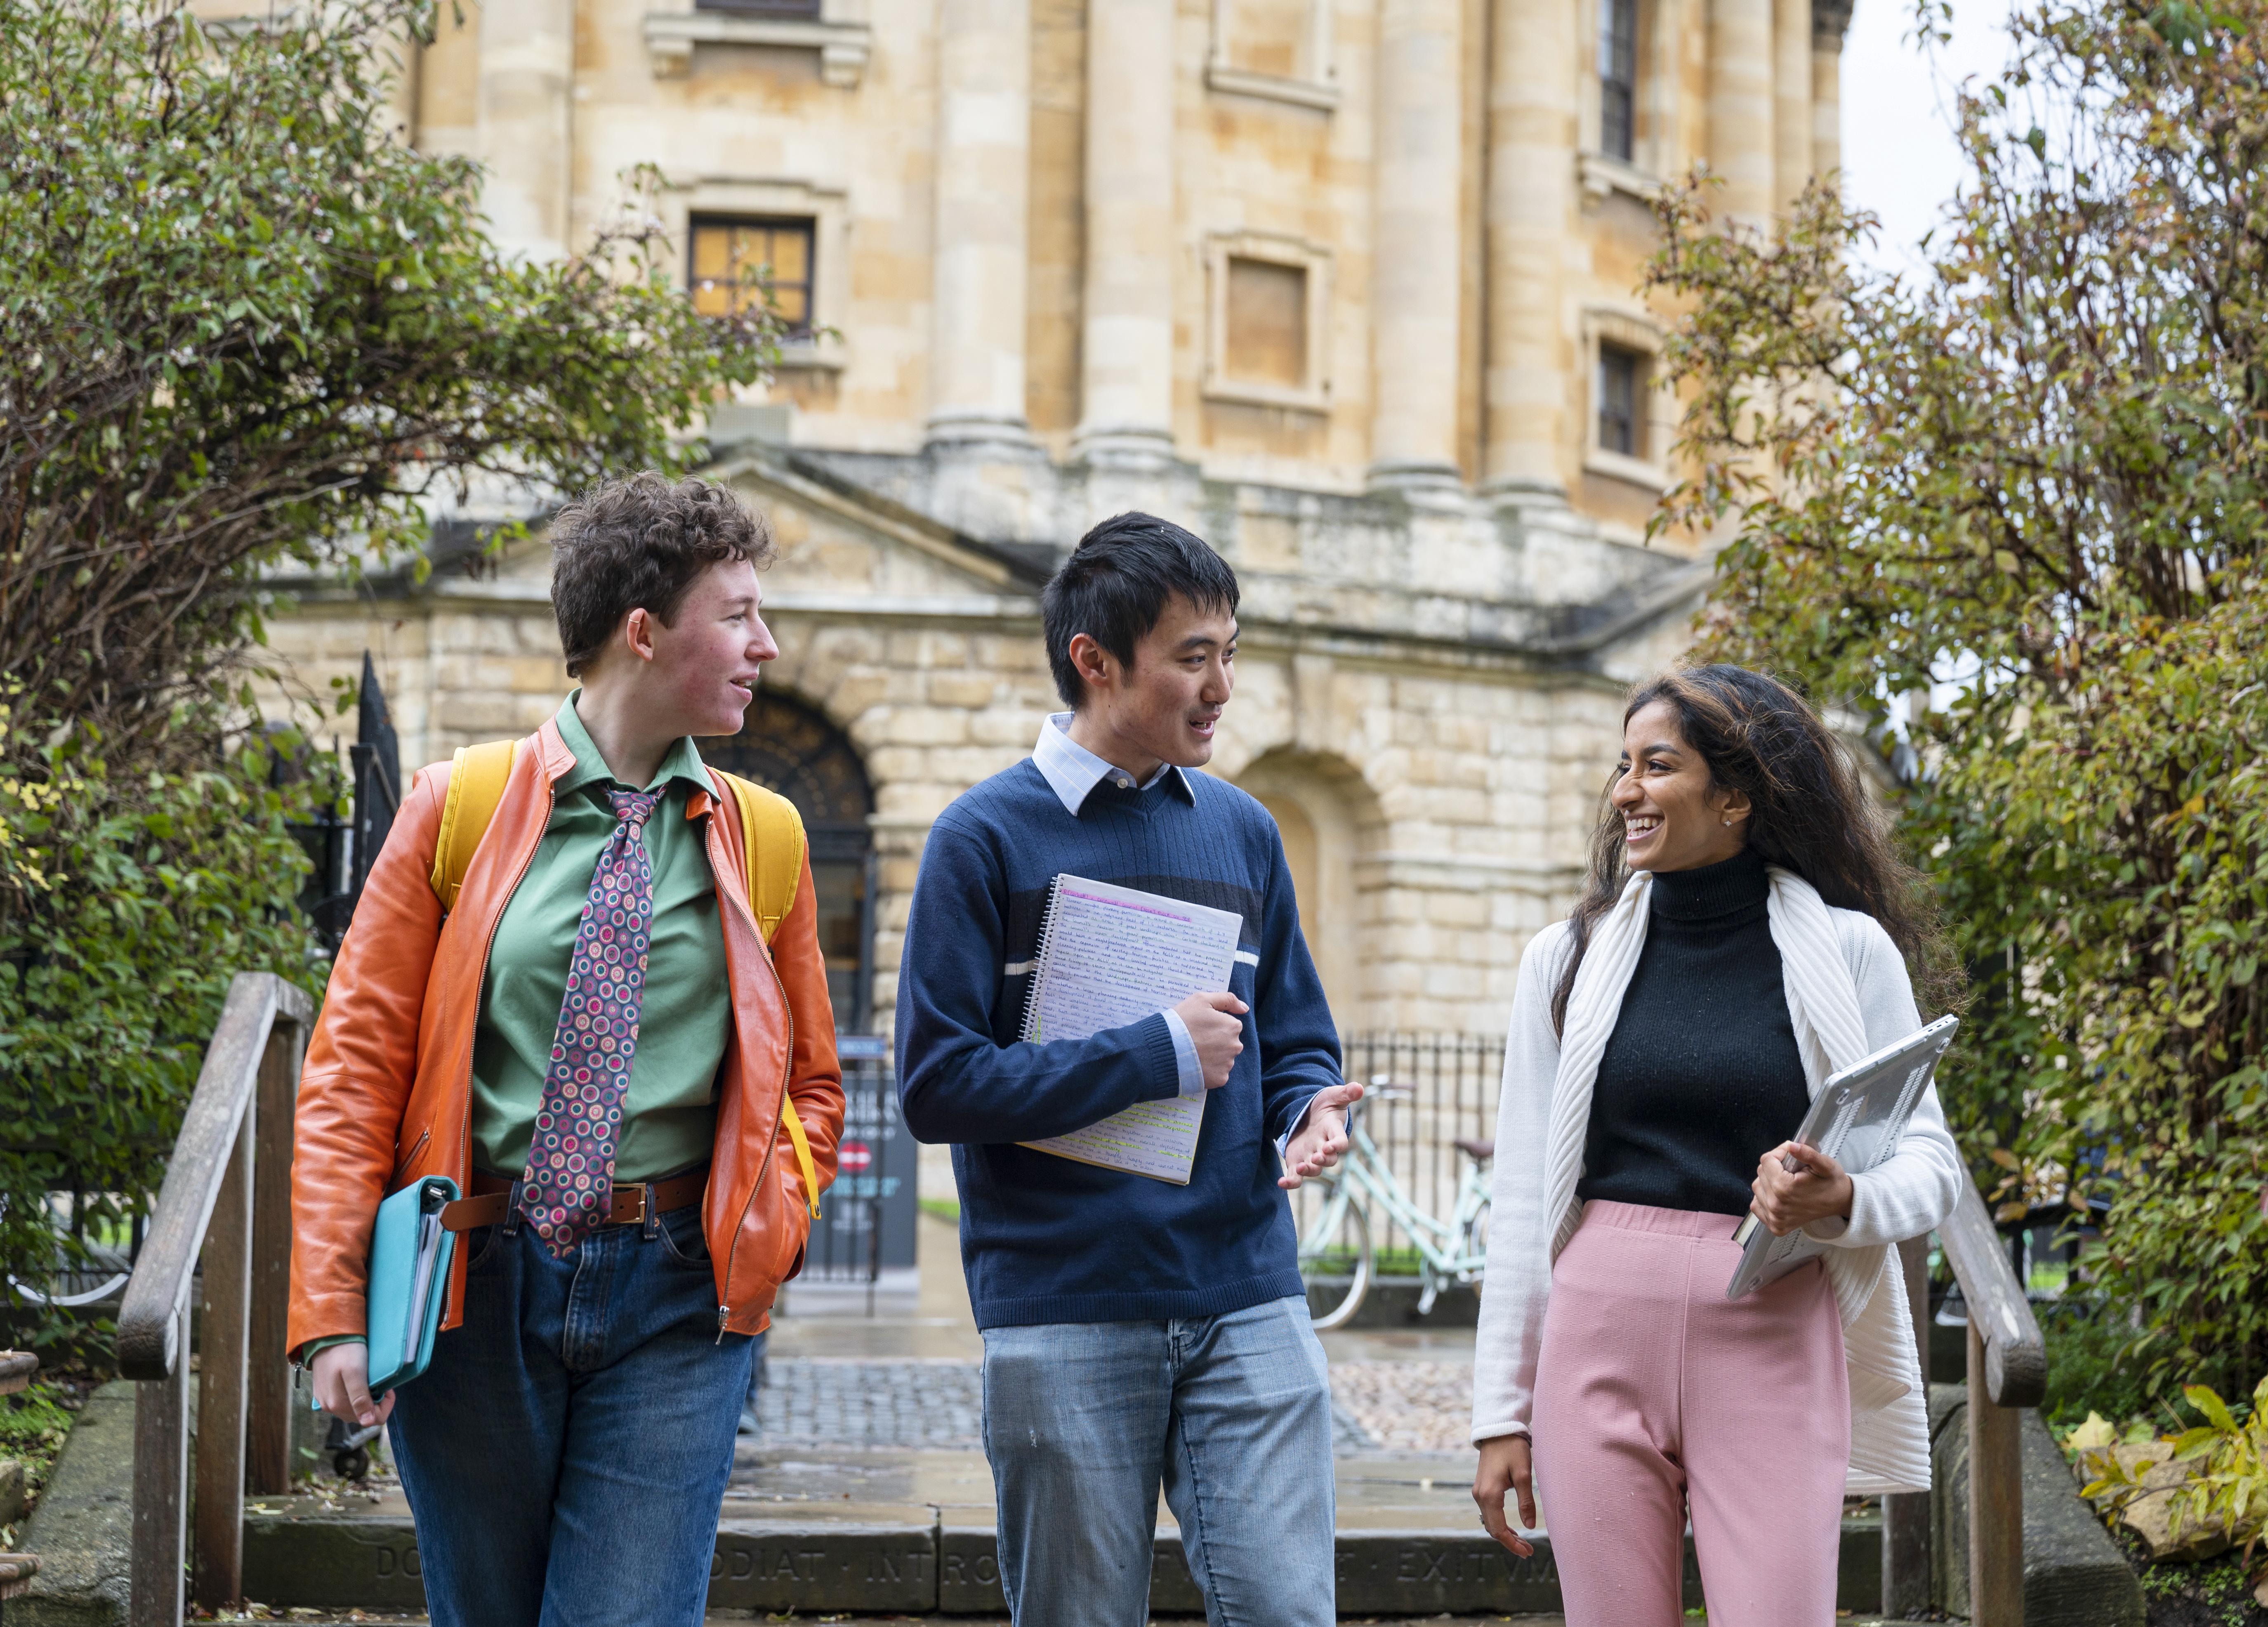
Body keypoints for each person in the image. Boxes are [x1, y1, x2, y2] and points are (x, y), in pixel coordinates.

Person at [286, 474, 846, 1626]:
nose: (767, 645)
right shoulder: (459, 806)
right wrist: (332, 1312)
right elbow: (354, 1072)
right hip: (475, 1284)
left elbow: (809, 1083)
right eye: (737, 615)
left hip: (678, 1297)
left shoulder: (767, 837)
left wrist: (773, 1217)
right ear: (643, 633)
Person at [895, 510, 1365, 1627]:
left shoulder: (1245, 831)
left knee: (1288, 1614)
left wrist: (1306, 1110)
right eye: (1191, 658)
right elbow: (936, 1084)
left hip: (1246, 1294)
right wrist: (1153, 1053)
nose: (1221, 686)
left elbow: (1294, 1032)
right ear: (1093, 662)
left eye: (1229, 653)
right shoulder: (982, 838)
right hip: (1062, 1304)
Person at [1469, 664, 1962, 1627]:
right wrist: (1500, 1412)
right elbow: (1524, 1194)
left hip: (1770, 1327)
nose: (1625, 792)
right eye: (1623, 766)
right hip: (1595, 1334)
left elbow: (1930, 1164)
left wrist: (1844, 1200)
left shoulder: (1848, 951)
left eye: (1656, 766)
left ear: (1734, 796)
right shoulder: (1562, 958)